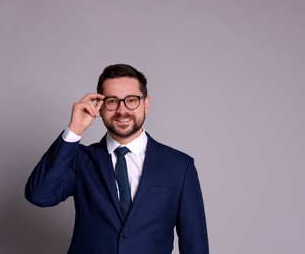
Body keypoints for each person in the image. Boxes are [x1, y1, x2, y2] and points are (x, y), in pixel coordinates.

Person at [25, 64, 209, 254]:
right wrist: (74, 130)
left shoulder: (179, 166)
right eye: (112, 101)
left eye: (131, 100)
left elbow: (195, 245)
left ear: (146, 104)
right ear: (100, 107)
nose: (122, 110)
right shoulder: (80, 160)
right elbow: (39, 195)